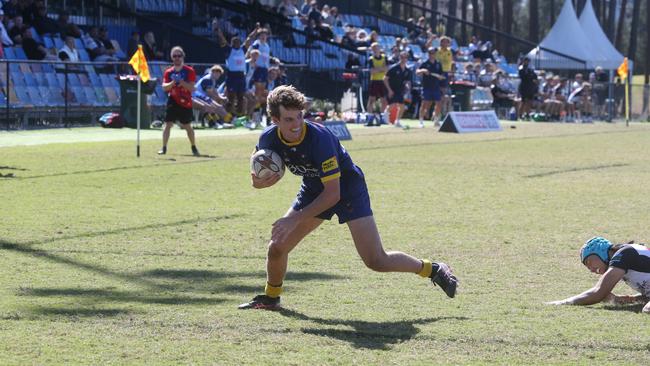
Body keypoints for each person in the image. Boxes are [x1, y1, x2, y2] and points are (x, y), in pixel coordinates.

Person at [238, 85, 458, 310]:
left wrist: (294, 219)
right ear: (275, 120)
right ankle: (271, 297)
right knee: (277, 246)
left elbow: (333, 194)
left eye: (300, 117)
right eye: (289, 119)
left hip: (348, 187)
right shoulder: (267, 140)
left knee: (376, 261)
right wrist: (258, 181)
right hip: (314, 188)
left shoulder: (319, 138)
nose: (296, 124)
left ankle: (434, 269)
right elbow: (256, 176)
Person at [547, 237, 650, 313]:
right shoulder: (626, 256)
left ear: (600, 252)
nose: (591, 270)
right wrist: (625, 299)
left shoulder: (624, 254)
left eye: (588, 262)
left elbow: (598, 293)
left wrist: (563, 302)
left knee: (647, 309)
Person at [158, 46, 200, 156]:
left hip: (185, 101)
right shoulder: (168, 72)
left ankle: (193, 146)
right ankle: (164, 147)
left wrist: (181, 82)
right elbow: (164, 87)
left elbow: (191, 88)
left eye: (179, 56)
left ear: (183, 57)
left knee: (187, 126)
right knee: (168, 124)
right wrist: (172, 83)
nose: (177, 58)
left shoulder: (189, 71)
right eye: (174, 56)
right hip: (173, 99)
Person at [416, 47, 445, 128]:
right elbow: (417, 72)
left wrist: (441, 77)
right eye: (429, 53)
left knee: (438, 104)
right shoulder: (424, 63)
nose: (431, 55)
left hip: (436, 87)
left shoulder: (438, 64)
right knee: (424, 104)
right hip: (426, 87)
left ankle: (436, 120)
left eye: (432, 53)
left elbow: (441, 74)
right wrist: (423, 71)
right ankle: (421, 121)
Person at [383, 51, 412, 128]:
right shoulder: (393, 68)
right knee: (393, 104)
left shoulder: (407, 70)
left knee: (402, 106)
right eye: (402, 57)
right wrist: (389, 90)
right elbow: (385, 79)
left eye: (405, 57)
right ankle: (385, 115)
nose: (404, 59)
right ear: (399, 58)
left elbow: (407, 81)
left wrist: (407, 87)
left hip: (400, 90)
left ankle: (397, 121)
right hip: (392, 89)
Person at [365, 42, 389, 126]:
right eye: (373, 48)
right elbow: (372, 71)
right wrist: (381, 69)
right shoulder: (371, 59)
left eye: (376, 47)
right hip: (374, 81)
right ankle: (369, 118)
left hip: (382, 81)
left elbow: (387, 69)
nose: (375, 49)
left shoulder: (384, 57)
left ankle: (382, 118)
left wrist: (378, 69)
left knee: (384, 101)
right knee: (371, 100)